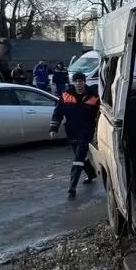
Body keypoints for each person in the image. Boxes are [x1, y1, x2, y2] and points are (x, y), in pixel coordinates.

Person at [49, 71, 100, 199]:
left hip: (87, 130)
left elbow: (100, 114)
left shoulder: (93, 96)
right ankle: (91, 173)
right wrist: (53, 128)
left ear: (84, 82)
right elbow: (58, 113)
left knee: (78, 157)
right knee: (81, 156)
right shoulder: (66, 95)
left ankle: (72, 187)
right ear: (73, 82)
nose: (78, 83)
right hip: (71, 130)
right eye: (76, 81)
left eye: (80, 81)